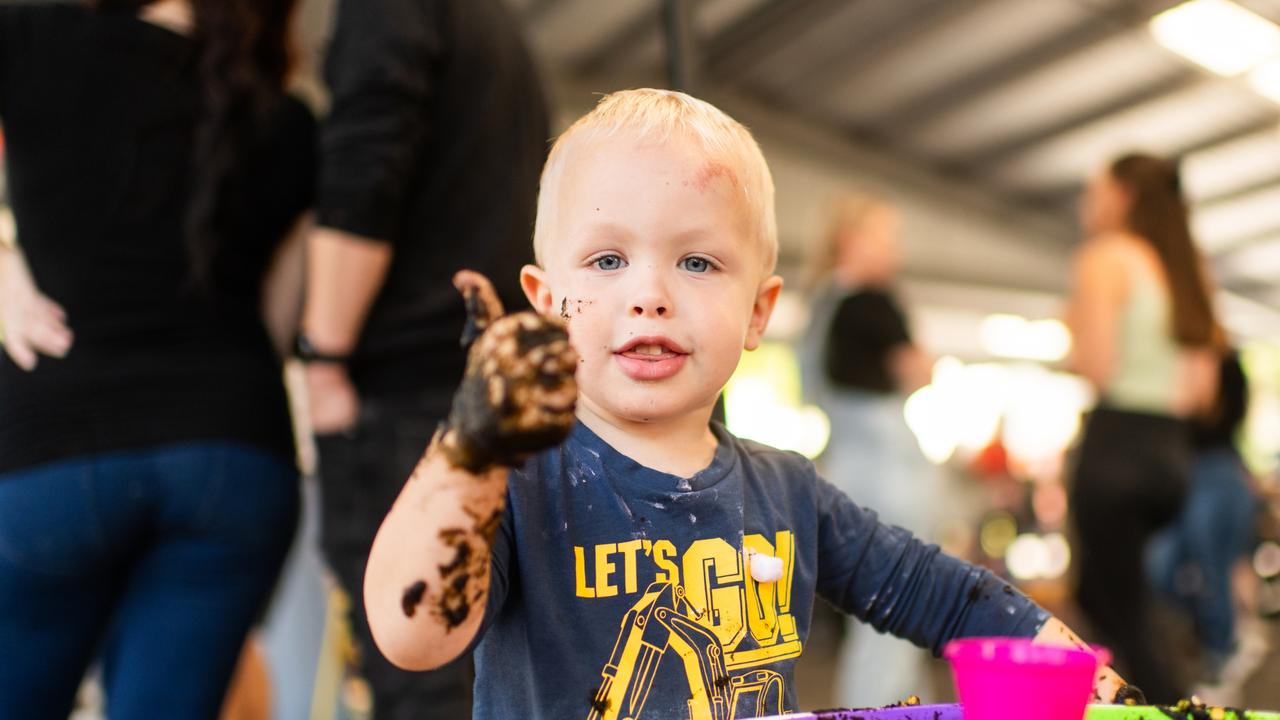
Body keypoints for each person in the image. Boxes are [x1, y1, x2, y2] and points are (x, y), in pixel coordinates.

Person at [360, 88, 1128, 719]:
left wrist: (1109, 693)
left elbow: (946, 597)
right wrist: (469, 452)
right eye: (607, 259)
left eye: (696, 261)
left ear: (758, 313)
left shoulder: (788, 492)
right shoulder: (518, 481)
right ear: (545, 300)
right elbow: (411, 635)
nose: (649, 296)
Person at [0, 0, 312, 717]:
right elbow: (277, 322)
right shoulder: (289, 120)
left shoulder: (32, 34)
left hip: (55, 450)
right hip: (231, 458)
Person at [296, 0, 549, 716]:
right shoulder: (496, 27)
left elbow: (365, 174)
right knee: (486, 670)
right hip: (482, 390)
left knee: (417, 678)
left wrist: (323, 357)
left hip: (407, 394)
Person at [1067, 153, 1222, 705]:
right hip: (1170, 455)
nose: (1087, 203)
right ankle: (1148, 699)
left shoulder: (1109, 257)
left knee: (1114, 605)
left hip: (1117, 447)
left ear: (1124, 196)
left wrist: (1070, 333)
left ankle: (1175, 705)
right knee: (1120, 596)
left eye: (1095, 190)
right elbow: (1202, 392)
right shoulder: (1186, 267)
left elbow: (1096, 366)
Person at [798, 194, 944, 707]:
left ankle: (901, 708)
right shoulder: (872, 301)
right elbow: (918, 371)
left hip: (847, 463)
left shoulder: (821, 303)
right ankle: (889, 711)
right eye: (885, 238)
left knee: (873, 611)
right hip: (889, 467)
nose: (893, 252)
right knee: (899, 607)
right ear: (851, 241)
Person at [1147, 350, 1263, 702]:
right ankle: (1220, 641)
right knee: (1163, 569)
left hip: (1218, 471)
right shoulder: (1180, 353)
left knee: (1213, 569)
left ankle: (1222, 653)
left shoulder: (1222, 363)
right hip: (1186, 470)